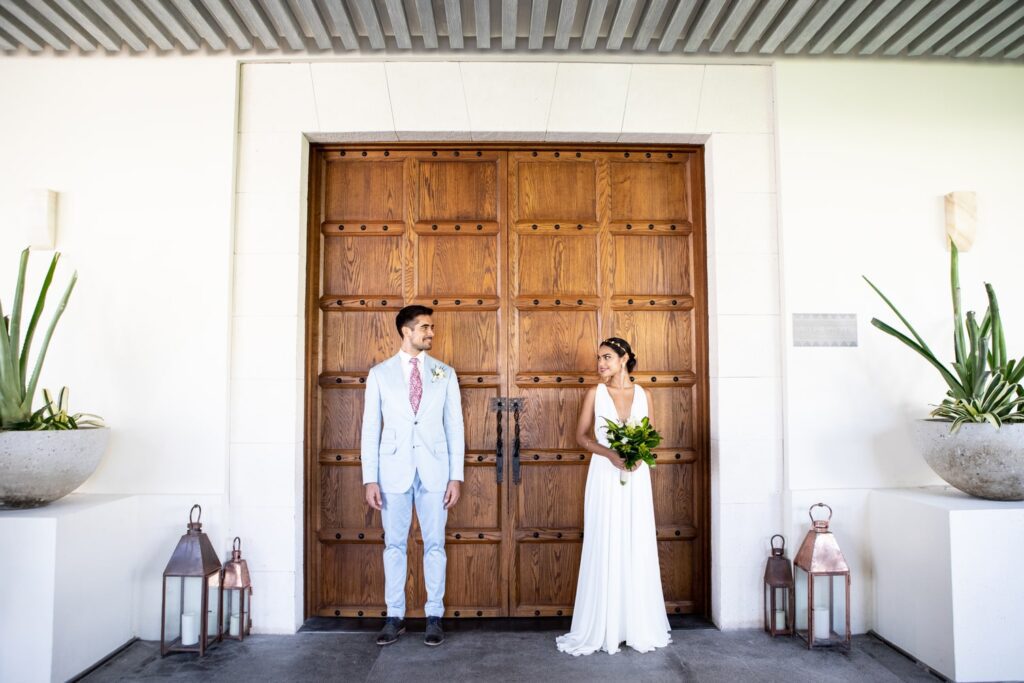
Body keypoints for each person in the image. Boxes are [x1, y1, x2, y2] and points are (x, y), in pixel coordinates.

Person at [556, 337, 671, 656]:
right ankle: (603, 625)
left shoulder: (644, 394)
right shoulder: (595, 393)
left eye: (607, 358)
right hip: (605, 474)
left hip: (636, 477)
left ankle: (635, 624)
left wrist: (638, 454)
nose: (600, 364)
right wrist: (610, 455)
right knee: (605, 539)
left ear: (625, 359)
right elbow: (581, 436)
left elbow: (652, 435)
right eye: (598, 359)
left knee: (635, 539)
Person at [361, 305, 464, 647]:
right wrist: (370, 478)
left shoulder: (444, 373)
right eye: (425, 327)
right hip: (393, 472)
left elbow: (455, 427)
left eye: (431, 327)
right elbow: (370, 429)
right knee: (394, 545)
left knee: (435, 544)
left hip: (435, 471)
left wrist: (456, 476)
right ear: (406, 331)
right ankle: (394, 617)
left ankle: (434, 616)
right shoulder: (380, 374)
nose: (431, 333)